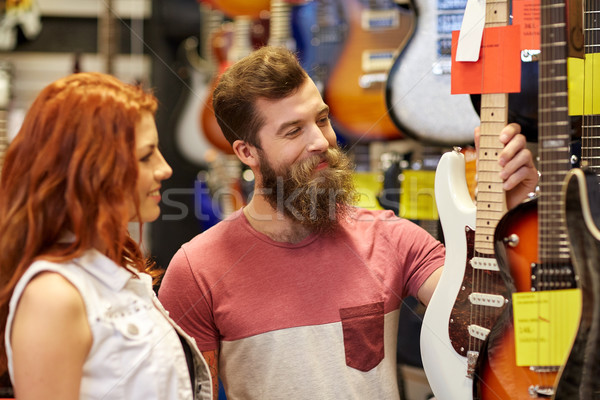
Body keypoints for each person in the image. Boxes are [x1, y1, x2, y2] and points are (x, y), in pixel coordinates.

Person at [158, 46, 538, 399]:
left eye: (322, 119)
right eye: (293, 131)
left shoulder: (392, 238)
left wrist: (512, 218)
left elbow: (487, 323)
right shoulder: (197, 270)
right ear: (247, 152)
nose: (321, 141)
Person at [0, 72, 213, 399]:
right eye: (146, 156)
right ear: (89, 170)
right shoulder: (54, 297)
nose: (164, 168)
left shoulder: (119, 271)